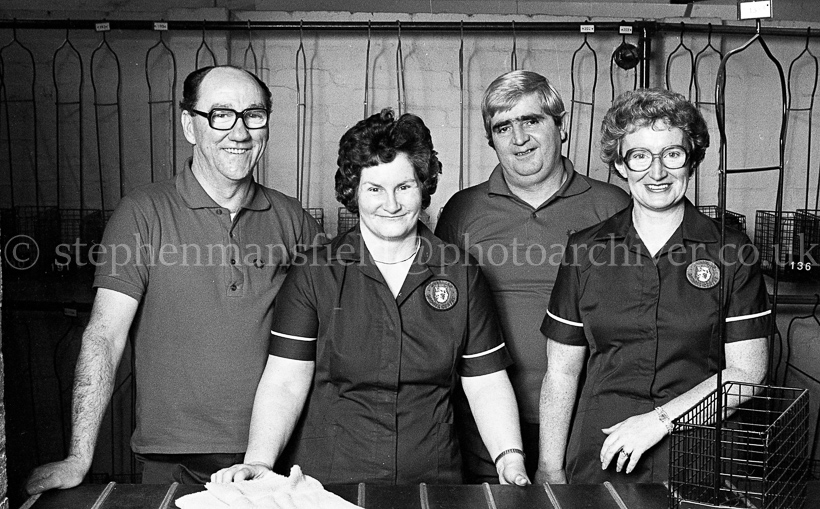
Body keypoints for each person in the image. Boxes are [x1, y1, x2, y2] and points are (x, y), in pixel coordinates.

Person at [25, 65, 322, 492]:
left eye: (253, 115)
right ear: (189, 124)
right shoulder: (142, 214)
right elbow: (105, 335)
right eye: (220, 114)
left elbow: (330, 327)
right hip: (172, 460)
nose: (239, 132)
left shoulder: (292, 219)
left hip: (275, 455)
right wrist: (79, 457)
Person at [212, 109, 530, 486]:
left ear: (424, 186)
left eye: (404, 187)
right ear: (353, 192)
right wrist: (260, 462)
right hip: (329, 482)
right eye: (375, 189)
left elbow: (486, 381)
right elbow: (285, 379)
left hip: (434, 478)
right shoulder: (315, 273)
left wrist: (510, 460)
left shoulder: (460, 271)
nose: (391, 204)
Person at [536, 89, 771, 485]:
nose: (657, 172)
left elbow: (748, 372)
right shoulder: (585, 250)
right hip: (601, 454)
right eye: (640, 156)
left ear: (691, 161)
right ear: (621, 165)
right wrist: (550, 467)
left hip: (699, 456)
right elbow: (561, 371)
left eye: (672, 155)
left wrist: (658, 422)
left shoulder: (732, 251)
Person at [435, 70, 629, 481]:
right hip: (484, 423)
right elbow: (440, 318)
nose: (518, 138)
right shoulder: (462, 211)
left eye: (531, 120)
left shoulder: (611, 206)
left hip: (584, 421)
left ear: (560, 126)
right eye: (503, 127)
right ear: (491, 140)